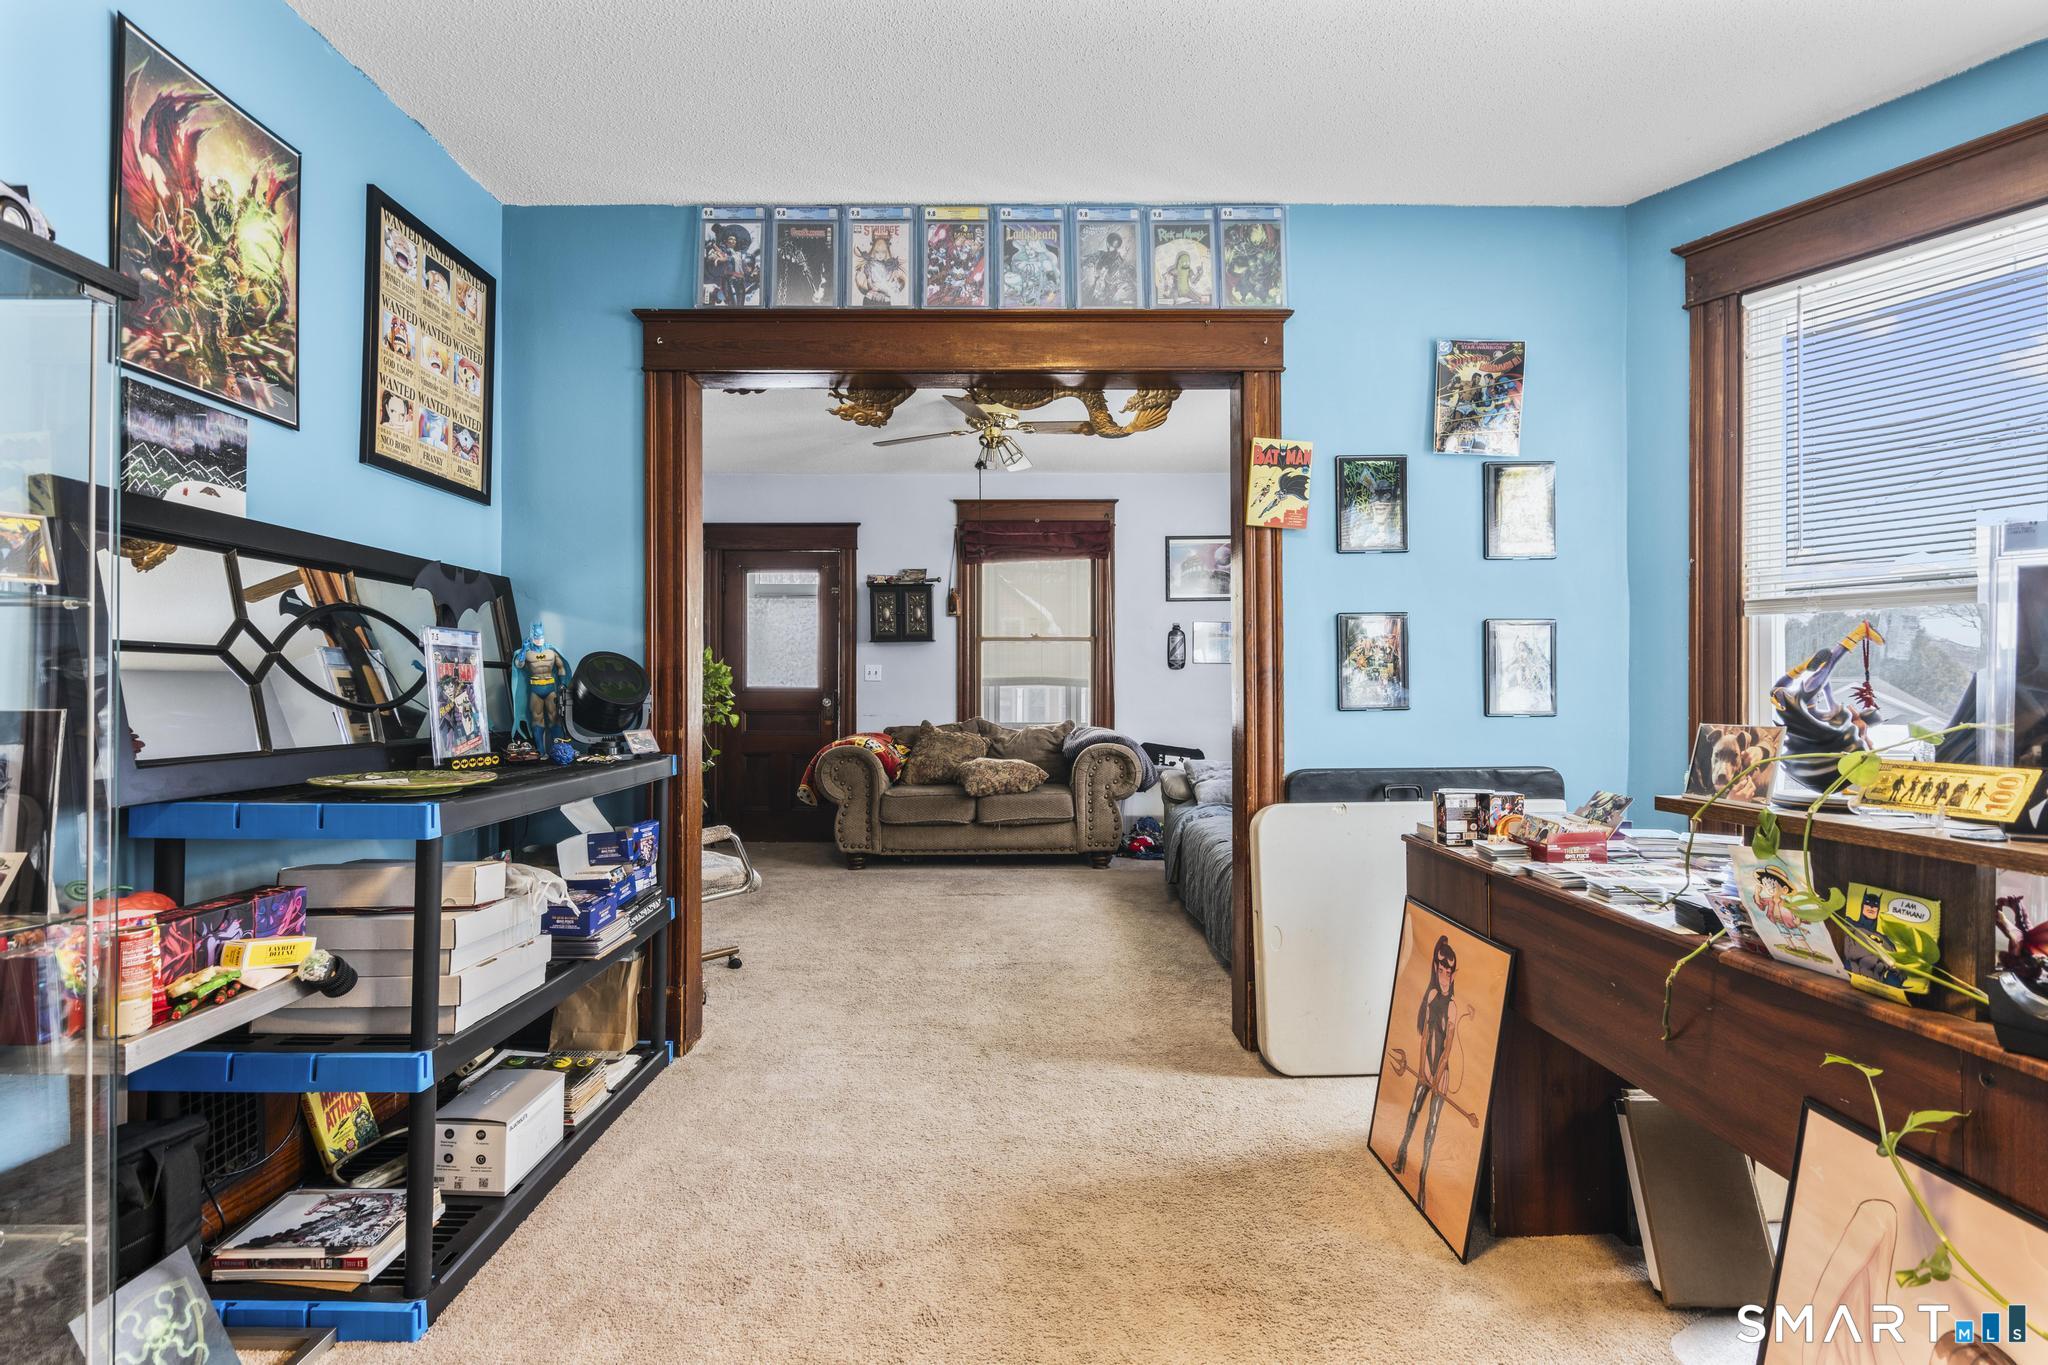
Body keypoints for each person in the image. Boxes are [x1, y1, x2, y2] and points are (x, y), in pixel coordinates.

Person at [1392, 935, 1460, 1205]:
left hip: (1441, 1075)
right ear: (1436, 969)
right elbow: (1425, 1038)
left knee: (1431, 1127)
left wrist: (1436, 1075)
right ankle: (1401, 1155)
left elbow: (1447, 1050)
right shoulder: (1432, 996)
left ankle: (1422, 1183)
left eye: (1449, 971)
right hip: (1425, 1070)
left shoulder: (1453, 1008)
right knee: (1413, 1111)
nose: (1445, 975)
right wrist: (1422, 1071)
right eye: (1441, 970)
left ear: (1453, 975)